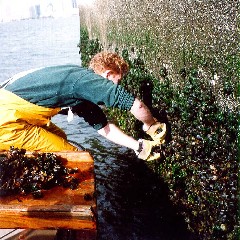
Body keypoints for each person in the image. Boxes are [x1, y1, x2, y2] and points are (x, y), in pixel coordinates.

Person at [0, 52, 166, 161]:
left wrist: (138, 146)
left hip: (14, 113)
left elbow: (105, 129)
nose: (118, 85)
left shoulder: (79, 84)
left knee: (61, 136)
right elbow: (137, 106)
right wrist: (151, 125)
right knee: (74, 157)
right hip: (6, 123)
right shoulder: (86, 83)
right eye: (118, 80)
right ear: (108, 74)